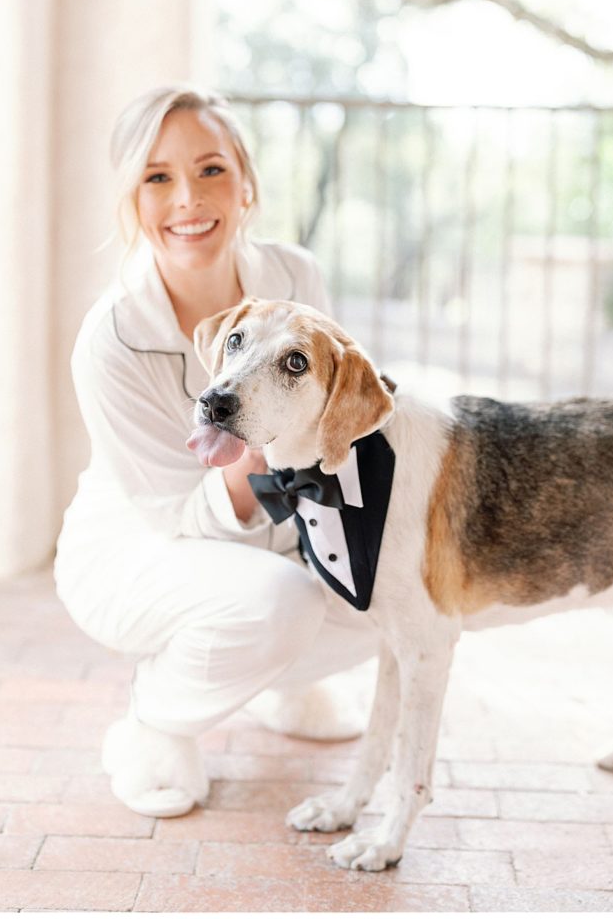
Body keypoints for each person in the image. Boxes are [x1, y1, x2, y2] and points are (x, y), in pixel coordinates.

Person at [54, 86, 379, 819]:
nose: (187, 200)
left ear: (246, 182)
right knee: (278, 602)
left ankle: (280, 681)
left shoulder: (298, 278)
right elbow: (175, 514)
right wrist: (255, 458)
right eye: (157, 178)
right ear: (132, 199)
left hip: (276, 530)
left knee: (393, 586)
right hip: (136, 548)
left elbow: (338, 418)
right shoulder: (109, 339)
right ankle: (152, 723)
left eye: (209, 170)